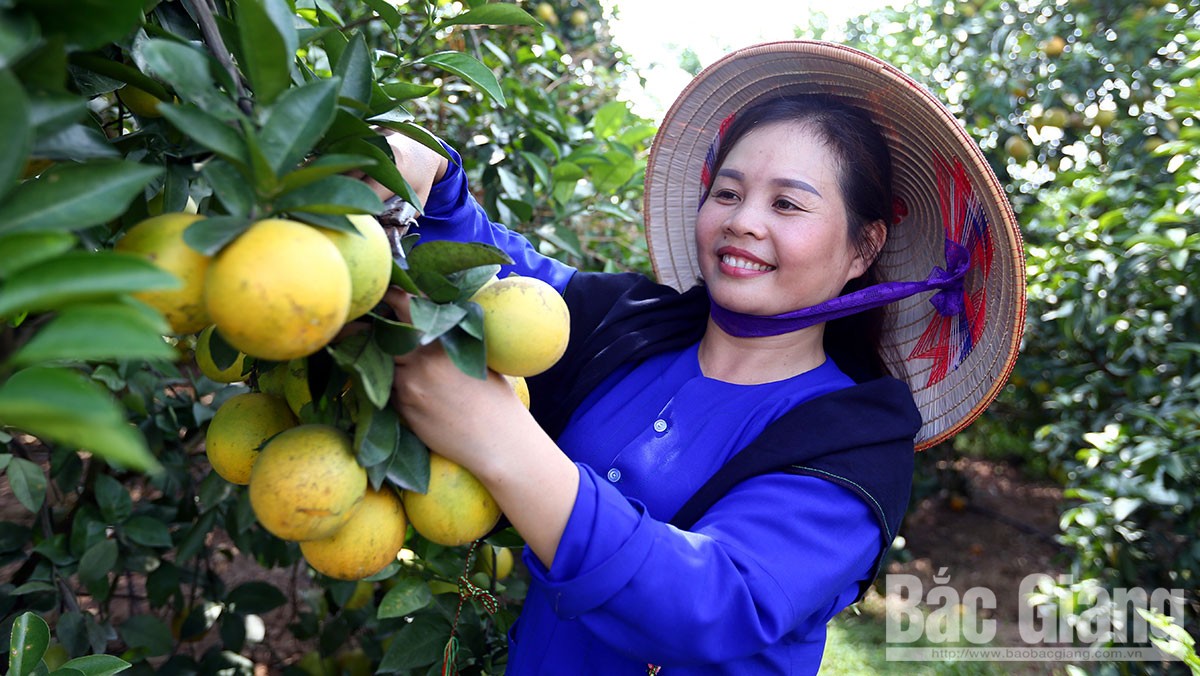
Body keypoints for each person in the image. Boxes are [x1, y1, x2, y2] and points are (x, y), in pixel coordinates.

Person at [369, 41, 1025, 675]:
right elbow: (503, 282)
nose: (743, 220)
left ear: (863, 248)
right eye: (729, 192)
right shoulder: (636, 324)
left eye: (787, 203)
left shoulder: (852, 443)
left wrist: (499, 440)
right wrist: (434, 176)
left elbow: (713, 601)